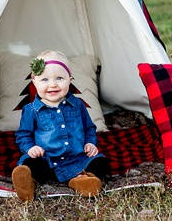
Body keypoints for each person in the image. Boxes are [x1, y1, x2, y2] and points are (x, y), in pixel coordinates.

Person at [11, 50, 109, 201]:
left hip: (77, 159)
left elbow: (89, 128)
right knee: (31, 163)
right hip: (47, 160)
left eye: (59, 78)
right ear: (34, 81)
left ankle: (81, 180)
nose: (53, 84)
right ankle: (29, 182)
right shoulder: (31, 110)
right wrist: (30, 148)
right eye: (45, 79)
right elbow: (23, 135)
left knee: (101, 162)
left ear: (69, 80)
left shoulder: (78, 105)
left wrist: (90, 142)